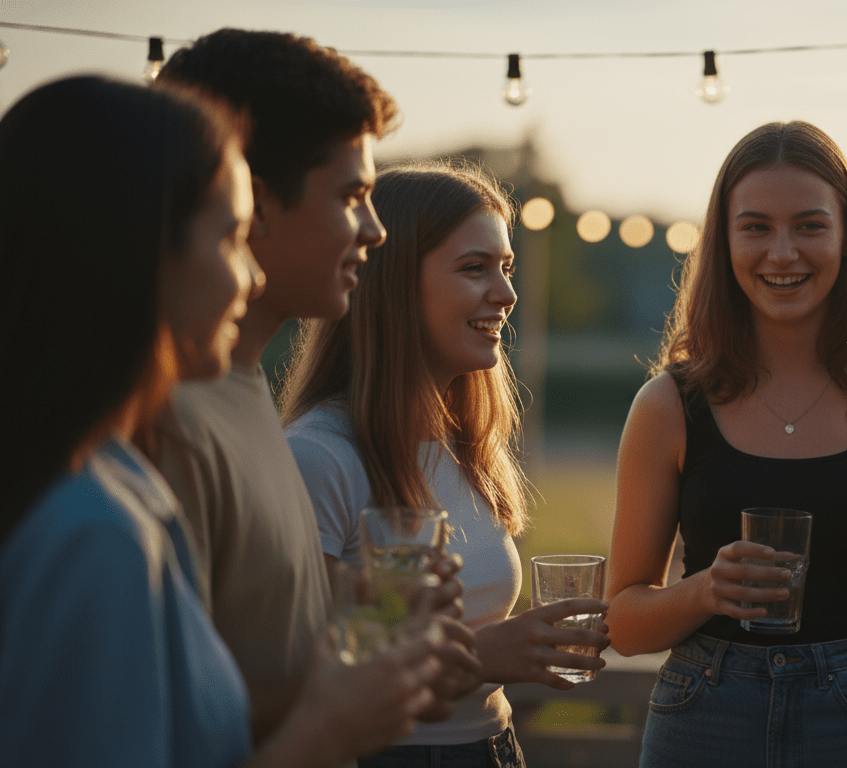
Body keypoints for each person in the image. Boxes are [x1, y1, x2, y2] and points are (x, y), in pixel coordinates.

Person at [0, 75, 444, 767]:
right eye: (233, 238)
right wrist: (326, 729)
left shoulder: (105, 474)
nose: (253, 276)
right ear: (141, 250)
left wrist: (332, 642)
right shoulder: (92, 531)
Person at [150, 29, 479, 747]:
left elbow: (249, 642)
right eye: (353, 194)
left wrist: (364, 613)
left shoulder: (239, 388)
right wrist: (332, 727)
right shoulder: (162, 426)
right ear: (255, 203)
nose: (375, 230)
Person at [606, 121, 847, 767]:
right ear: (723, 241)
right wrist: (707, 590)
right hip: (704, 716)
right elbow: (624, 625)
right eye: (756, 227)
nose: (782, 252)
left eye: (808, 225)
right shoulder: (667, 405)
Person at [281, 161, 611, 768]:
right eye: (474, 268)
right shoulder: (321, 454)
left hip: (493, 747)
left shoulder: (462, 445)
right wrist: (482, 657)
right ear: (393, 283)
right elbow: (300, 671)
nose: (508, 294)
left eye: (506, 268)